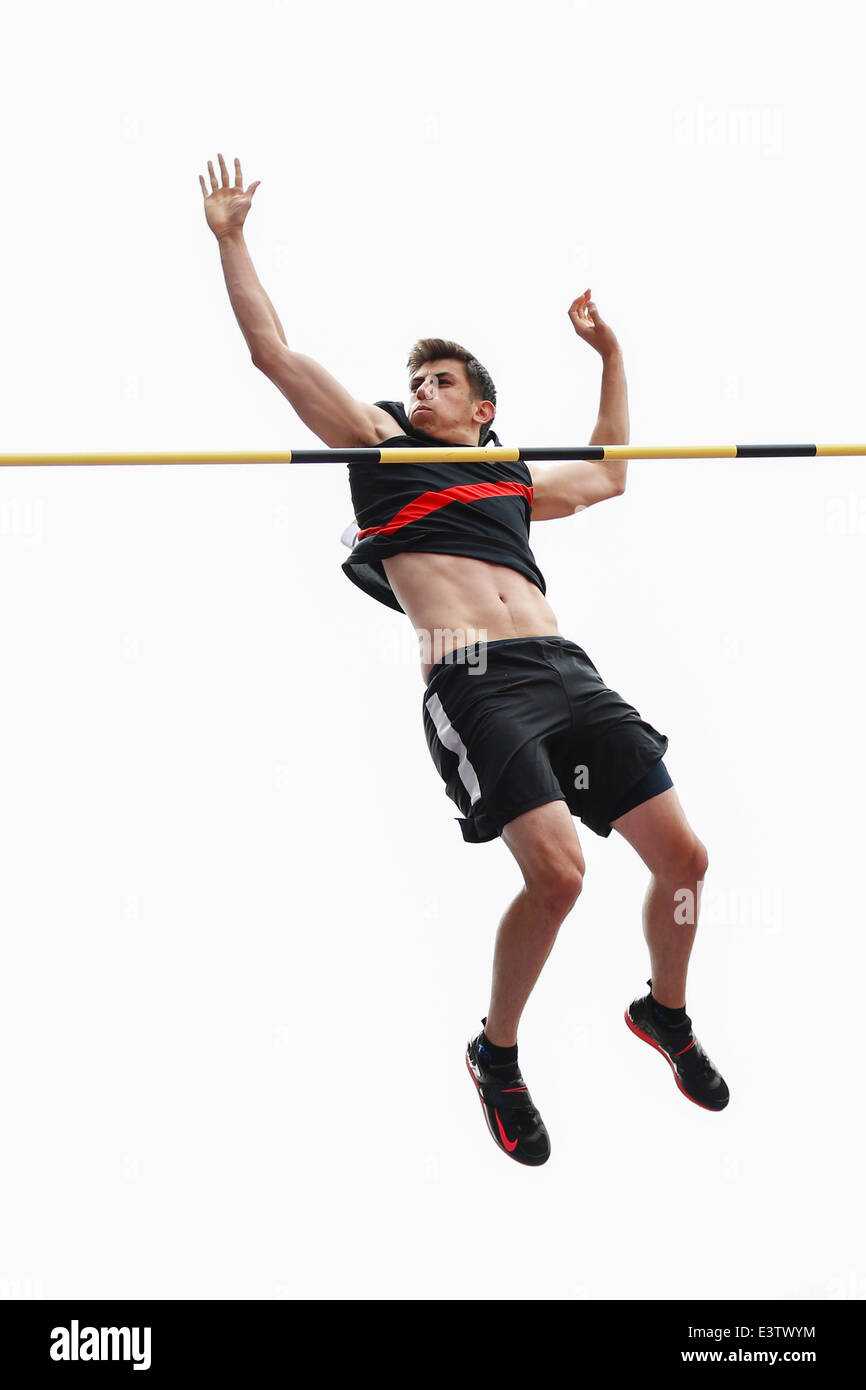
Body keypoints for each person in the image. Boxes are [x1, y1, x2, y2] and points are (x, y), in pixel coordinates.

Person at [200, 153, 729, 1167]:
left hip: (565, 667)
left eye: (438, 380)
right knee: (561, 876)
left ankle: (664, 1011)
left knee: (685, 860)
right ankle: (497, 1051)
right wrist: (231, 239)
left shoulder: (509, 476)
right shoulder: (375, 442)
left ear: (482, 408)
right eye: (413, 381)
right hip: (472, 676)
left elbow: (612, 472)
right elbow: (273, 352)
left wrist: (608, 353)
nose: (417, 389)